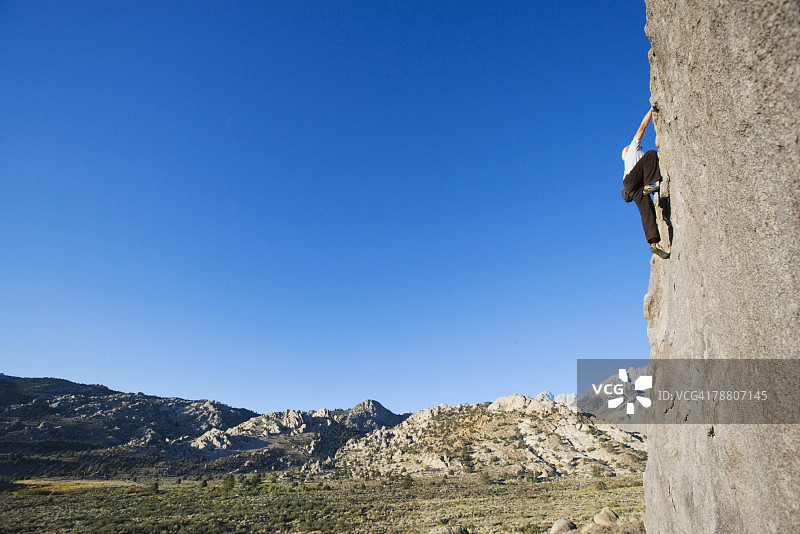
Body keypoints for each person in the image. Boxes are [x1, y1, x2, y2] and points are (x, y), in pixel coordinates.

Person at [621, 107, 670, 259]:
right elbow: (642, 126)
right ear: (628, 149)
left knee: (647, 211)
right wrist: (651, 109)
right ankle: (650, 185)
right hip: (634, 181)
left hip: (632, 186)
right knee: (651, 154)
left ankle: (654, 243)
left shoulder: (630, 162)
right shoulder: (633, 149)